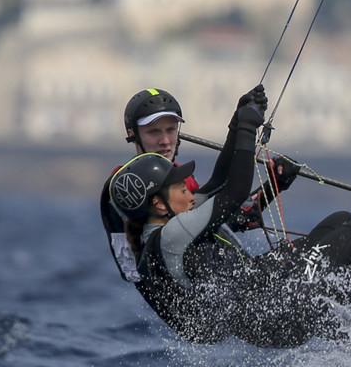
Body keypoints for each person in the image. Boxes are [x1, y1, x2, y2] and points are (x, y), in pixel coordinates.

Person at [110, 97, 351, 347]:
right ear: (158, 203)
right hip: (271, 310)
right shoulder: (169, 234)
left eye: (171, 130)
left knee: (341, 220)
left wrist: (238, 126)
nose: (189, 191)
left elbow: (220, 186)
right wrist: (247, 129)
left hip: (261, 293)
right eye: (180, 187)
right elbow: (232, 194)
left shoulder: (170, 219)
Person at [98, 86, 297, 283]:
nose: (165, 140)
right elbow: (133, 271)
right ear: (133, 134)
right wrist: (246, 126)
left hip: (222, 285)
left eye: (171, 129)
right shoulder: (127, 186)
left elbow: (228, 208)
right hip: (190, 297)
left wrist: (275, 184)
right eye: (154, 132)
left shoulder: (180, 182)